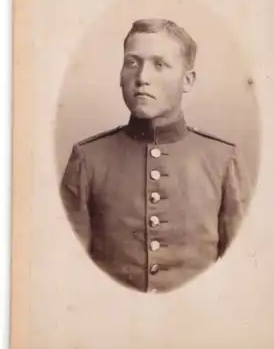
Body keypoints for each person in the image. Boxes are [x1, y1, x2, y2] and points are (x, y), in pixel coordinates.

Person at [60, 18, 252, 293]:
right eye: (132, 63)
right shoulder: (87, 159)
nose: (142, 78)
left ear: (188, 81)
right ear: (120, 75)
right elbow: (69, 275)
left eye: (159, 65)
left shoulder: (223, 160)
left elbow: (242, 273)